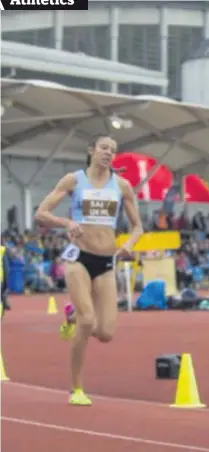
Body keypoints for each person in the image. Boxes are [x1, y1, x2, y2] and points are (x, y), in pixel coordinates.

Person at [34, 134, 143, 406]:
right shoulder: (74, 180)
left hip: (106, 261)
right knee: (87, 320)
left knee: (105, 333)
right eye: (104, 148)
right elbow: (41, 213)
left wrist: (129, 244)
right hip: (78, 258)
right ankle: (77, 388)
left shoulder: (122, 185)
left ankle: (71, 318)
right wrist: (66, 222)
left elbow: (138, 226)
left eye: (113, 150)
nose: (109, 153)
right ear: (91, 150)